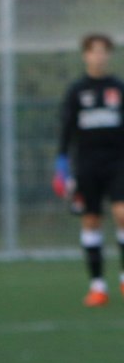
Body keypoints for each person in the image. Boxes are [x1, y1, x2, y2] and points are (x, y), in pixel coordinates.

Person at [56, 32, 124, 307]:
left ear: (109, 54)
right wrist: (60, 162)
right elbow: (66, 128)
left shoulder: (118, 87)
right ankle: (97, 286)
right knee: (91, 220)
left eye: (103, 51)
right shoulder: (76, 91)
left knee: (122, 214)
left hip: (118, 162)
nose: (99, 56)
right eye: (94, 51)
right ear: (85, 55)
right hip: (86, 165)